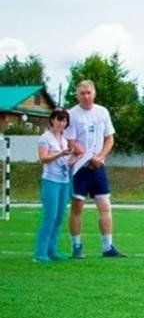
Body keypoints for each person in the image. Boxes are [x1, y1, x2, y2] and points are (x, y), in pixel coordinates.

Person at [65, 80, 124, 259]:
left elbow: (109, 139)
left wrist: (99, 157)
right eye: (82, 93)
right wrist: (84, 155)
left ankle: (107, 247)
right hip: (79, 168)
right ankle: (76, 247)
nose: (86, 96)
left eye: (89, 92)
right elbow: (70, 140)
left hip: (98, 167)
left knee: (105, 206)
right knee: (77, 208)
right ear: (77, 95)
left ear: (94, 93)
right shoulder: (71, 114)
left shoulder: (102, 112)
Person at [33, 109, 76, 264]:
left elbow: (65, 162)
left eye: (64, 121)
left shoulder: (64, 139)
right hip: (50, 181)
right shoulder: (45, 138)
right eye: (59, 120)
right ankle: (40, 252)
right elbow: (43, 159)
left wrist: (75, 159)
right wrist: (60, 154)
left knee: (58, 217)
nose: (62, 123)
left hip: (64, 181)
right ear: (52, 120)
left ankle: (52, 250)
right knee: (49, 216)